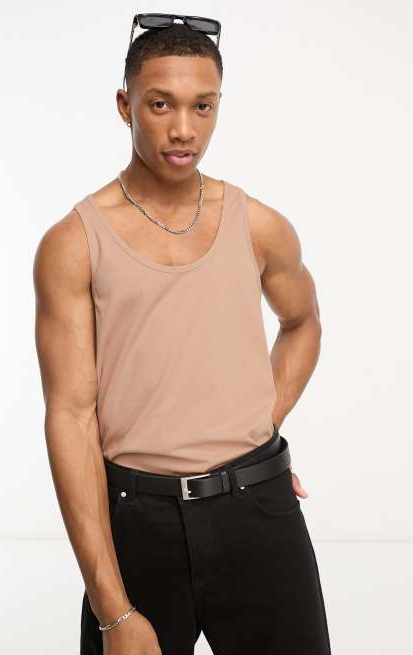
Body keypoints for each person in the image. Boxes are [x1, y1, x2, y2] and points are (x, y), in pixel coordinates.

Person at [33, 14, 332, 655]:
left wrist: (256, 424)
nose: (183, 130)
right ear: (126, 106)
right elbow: (70, 416)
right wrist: (113, 611)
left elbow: (303, 322)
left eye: (203, 106)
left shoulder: (260, 226)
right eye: (161, 104)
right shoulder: (73, 243)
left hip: (260, 510)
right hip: (138, 522)